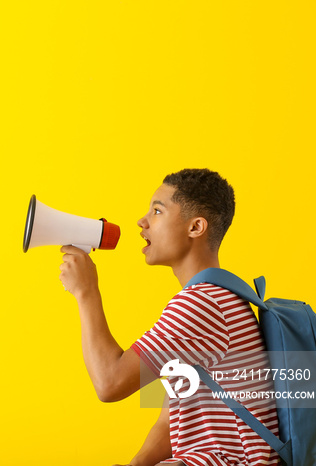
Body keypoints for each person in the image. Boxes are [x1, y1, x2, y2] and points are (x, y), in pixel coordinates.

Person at [59, 168, 279, 466]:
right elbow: (168, 424)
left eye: (157, 211)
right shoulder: (218, 295)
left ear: (195, 227)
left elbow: (109, 383)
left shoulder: (202, 304)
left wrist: (86, 293)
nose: (142, 221)